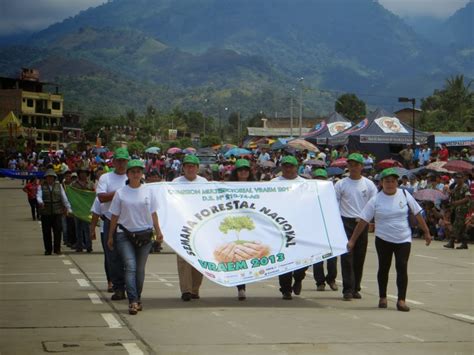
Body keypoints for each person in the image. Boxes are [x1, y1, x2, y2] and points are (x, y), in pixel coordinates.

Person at [347, 168, 432, 312]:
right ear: (381, 183)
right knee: (384, 268)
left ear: (396, 182)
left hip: (403, 238)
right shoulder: (376, 199)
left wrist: (427, 232)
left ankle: (401, 300)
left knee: (401, 267)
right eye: (387, 181)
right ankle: (383, 297)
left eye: (393, 181)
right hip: (383, 239)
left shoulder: (405, 195)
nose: (390, 184)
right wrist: (352, 240)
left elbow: (417, 214)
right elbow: (363, 221)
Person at [108, 159, 163, 315]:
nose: (136, 174)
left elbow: (153, 213)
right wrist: (110, 236)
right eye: (132, 171)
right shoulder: (120, 193)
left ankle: (137, 298)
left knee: (139, 270)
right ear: (128, 174)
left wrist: (158, 231)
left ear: (142, 173)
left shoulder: (148, 191)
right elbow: (114, 216)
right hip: (124, 234)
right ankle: (132, 300)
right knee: (130, 266)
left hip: (144, 235)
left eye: (138, 171)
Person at [334, 153, 378, 301]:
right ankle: (347, 289)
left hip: (362, 222)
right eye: (350, 164)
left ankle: (356, 288)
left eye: (356, 164)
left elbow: (374, 205)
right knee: (346, 257)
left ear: (361, 166)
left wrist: (371, 221)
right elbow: (334, 204)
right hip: (345, 221)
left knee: (360, 256)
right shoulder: (341, 184)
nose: (353, 167)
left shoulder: (369, 184)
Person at [271, 155, 307, 300]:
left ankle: (298, 278)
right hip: (281, 226)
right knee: (284, 259)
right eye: (285, 166)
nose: (288, 169)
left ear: (296, 167)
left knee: (302, 258)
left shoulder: (305, 183)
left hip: (300, 226)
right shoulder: (273, 183)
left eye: (291, 166)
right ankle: (285, 289)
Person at [96, 147, 130, 300]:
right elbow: (101, 197)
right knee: (113, 257)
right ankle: (118, 288)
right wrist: (121, 193)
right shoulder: (106, 178)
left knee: (128, 258)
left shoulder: (133, 177)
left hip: (129, 223)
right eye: (119, 161)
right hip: (110, 222)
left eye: (124, 161)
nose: (121, 164)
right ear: (114, 162)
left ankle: (130, 288)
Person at [172, 155, 207, 301]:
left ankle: (194, 289)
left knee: (198, 259)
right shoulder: (175, 183)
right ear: (183, 168)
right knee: (183, 260)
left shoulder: (204, 183)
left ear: (197, 168)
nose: (190, 168)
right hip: (182, 227)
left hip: (200, 227)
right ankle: (185, 290)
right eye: (187, 166)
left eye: (193, 166)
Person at [229, 159, 256, 300]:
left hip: (252, 225)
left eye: (246, 169)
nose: (243, 172)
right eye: (240, 170)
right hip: (234, 226)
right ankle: (241, 286)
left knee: (249, 256)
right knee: (238, 256)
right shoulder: (227, 186)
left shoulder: (257, 187)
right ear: (236, 172)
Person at [312, 169, 338, 292]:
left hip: (330, 229)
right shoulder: (308, 195)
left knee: (332, 258)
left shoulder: (332, 194)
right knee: (318, 259)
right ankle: (320, 282)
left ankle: (331, 279)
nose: (320, 181)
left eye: (322, 179)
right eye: (317, 179)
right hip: (315, 230)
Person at [37, 169, 72, 255]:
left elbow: (64, 198)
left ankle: (57, 249)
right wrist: (41, 202)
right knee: (46, 232)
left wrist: (68, 208)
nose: (50, 179)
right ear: (46, 178)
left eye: (51, 177)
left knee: (58, 231)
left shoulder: (59, 186)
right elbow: (38, 196)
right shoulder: (41, 186)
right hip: (46, 212)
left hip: (57, 212)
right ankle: (48, 249)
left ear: (54, 178)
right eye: (48, 177)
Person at [444, 173, 471, 249]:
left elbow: (467, 198)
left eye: (459, 178)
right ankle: (464, 243)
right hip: (456, 209)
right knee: (461, 226)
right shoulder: (456, 187)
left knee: (456, 225)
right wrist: (450, 192)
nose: (458, 180)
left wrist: (457, 202)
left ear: (463, 178)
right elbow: (453, 195)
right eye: (456, 178)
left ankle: (451, 241)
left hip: (462, 209)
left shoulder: (465, 187)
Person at [72, 165, 95, 252]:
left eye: (84, 173)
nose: (83, 175)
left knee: (87, 229)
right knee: (78, 229)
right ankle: (79, 246)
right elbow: (71, 194)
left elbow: (94, 195)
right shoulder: (74, 184)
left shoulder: (91, 184)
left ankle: (89, 246)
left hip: (87, 209)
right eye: (81, 173)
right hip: (77, 209)